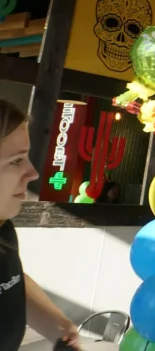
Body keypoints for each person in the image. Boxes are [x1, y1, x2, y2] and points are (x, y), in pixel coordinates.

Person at [0, 100, 80, 350]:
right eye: (16, 160)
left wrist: (58, 327)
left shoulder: (3, 229)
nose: (32, 172)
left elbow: (10, 279)